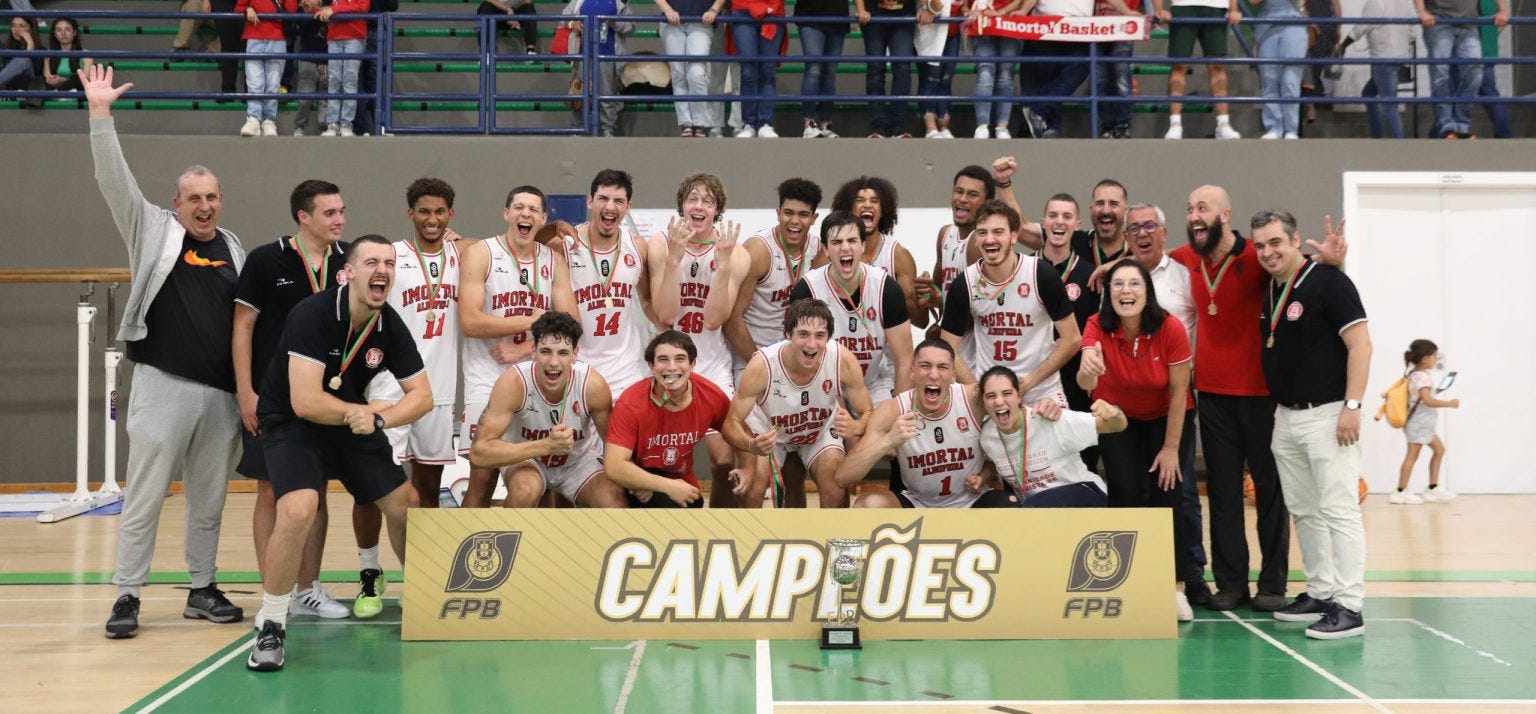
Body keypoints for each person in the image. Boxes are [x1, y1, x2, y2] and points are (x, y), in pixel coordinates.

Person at [86, 66, 247, 640]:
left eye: (211, 197)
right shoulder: (151, 230)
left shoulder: (233, 249)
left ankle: (201, 588)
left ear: (220, 201)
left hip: (222, 396)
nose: (203, 207)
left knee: (209, 501)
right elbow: (114, 182)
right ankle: (127, 593)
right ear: (175, 202)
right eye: (193, 199)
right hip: (163, 385)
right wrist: (100, 116)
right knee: (147, 494)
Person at [247, 235, 430, 671]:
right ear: (349, 272)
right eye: (371, 261)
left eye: (389, 262)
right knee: (298, 507)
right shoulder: (312, 314)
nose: (382, 269)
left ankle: (424, 600)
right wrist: (365, 411)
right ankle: (272, 622)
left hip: (350, 421)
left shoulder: (389, 324)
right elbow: (306, 401)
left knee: (407, 504)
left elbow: (422, 396)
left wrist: (380, 419)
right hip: (293, 422)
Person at [233, 180, 352, 624]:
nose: (339, 220)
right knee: (271, 493)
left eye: (341, 211)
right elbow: (242, 327)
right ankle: (273, 596)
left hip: (325, 398)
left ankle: (308, 589)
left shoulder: (349, 261)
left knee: (316, 493)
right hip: (273, 400)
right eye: (329, 213)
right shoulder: (266, 260)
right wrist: (246, 391)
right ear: (303, 217)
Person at [1167, 184, 1289, 612]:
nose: (1194, 214)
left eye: (1203, 207)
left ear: (1225, 214)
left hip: (1261, 396)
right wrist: (1110, 270)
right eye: (1189, 208)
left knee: (1269, 493)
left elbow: (1298, 269)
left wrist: (1335, 258)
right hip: (1213, 398)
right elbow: (1150, 261)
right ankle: (1232, 583)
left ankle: (1273, 583)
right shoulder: (1188, 257)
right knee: (1220, 494)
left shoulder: (1256, 256)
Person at [1252, 209, 1371, 640]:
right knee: (1304, 510)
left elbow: (1361, 344)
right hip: (1286, 417)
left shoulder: (1329, 281)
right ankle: (1320, 592)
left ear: (1295, 240)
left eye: (1275, 242)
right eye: (1261, 245)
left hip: (1329, 414)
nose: (1268, 251)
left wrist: (1352, 405)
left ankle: (1350, 604)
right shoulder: (1271, 289)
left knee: (1340, 510)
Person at [1078, 258, 1196, 622]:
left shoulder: (1170, 328)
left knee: (1168, 496)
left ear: (1147, 292)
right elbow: (1086, 386)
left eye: (1134, 284)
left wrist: (1171, 449)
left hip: (1167, 418)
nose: (1125, 291)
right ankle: (1127, 582)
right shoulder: (1096, 325)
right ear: (1108, 292)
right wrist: (1086, 370)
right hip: (1119, 421)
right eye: (1118, 285)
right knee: (1126, 494)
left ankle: (1177, 587)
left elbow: (1179, 392)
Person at [459, 185, 577, 507]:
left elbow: (571, 323)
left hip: (536, 380)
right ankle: (464, 551)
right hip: (487, 377)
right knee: (481, 479)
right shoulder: (482, 253)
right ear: (507, 213)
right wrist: (531, 321)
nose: (526, 214)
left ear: (542, 218)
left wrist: (525, 349)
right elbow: (470, 322)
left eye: (533, 209)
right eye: (519, 207)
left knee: (545, 482)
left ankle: (529, 553)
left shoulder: (553, 260)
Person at [651, 173, 753, 506]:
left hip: (711, 365)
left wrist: (722, 267)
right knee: (657, 459)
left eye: (707, 201)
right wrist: (673, 260)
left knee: (723, 460)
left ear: (716, 211)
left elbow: (713, 320)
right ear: (682, 206)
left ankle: (718, 529)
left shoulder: (736, 254)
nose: (699, 206)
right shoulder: (660, 245)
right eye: (692, 199)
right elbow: (665, 313)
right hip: (666, 365)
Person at [1125, 202, 1208, 597]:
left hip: (1175, 402)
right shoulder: (1118, 280)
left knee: (1184, 492)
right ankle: (1140, 576)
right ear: (1126, 238)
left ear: (1163, 231)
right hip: (1129, 409)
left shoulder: (1185, 277)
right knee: (1136, 492)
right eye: (1134, 228)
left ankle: (1192, 573)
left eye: (1149, 226)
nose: (1142, 233)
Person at [725, 299, 875, 507]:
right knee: (752, 488)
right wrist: (751, 444)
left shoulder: (842, 359)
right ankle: (749, 539)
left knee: (836, 487)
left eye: (820, 336)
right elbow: (730, 421)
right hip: (769, 436)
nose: (812, 344)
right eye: (803, 334)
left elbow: (867, 410)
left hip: (818, 433)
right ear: (788, 334)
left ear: (829, 338)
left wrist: (857, 426)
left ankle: (832, 539)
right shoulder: (762, 364)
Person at [470, 311, 627, 507]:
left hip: (578, 462)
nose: (553, 362)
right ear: (533, 350)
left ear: (575, 354)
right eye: (546, 352)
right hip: (528, 459)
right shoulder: (514, 382)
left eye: (563, 353)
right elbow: (478, 454)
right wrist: (545, 446)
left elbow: (615, 446)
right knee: (524, 491)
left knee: (613, 500)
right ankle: (511, 537)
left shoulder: (592, 385)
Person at [939, 200, 1080, 404]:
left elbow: (1072, 339)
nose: (989, 239)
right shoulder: (965, 284)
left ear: (1014, 236)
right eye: (982, 233)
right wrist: (979, 390)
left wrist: (1029, 382)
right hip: (992, 396)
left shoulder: (1041, 274)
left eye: (998, 232)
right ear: (976, 239)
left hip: (1041, 392)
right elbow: (948, 348)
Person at [835, 340, 1005, 508]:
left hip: (971, 501)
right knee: (868, 505)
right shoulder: (893, 410)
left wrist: (985, 475)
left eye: (942, 367)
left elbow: (1013, 405)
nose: (933, 374)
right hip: (918, 504)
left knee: (1010, 504)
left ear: (953, 376)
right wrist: (889, 441)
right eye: (925, 366)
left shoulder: (973, 398)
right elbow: (843, 477)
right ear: (912, 373)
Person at [789, 211, 913, 405]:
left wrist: (899, 410)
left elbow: (904, 360)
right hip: (824, 385)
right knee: (843, 433)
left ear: (863, 245)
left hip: (874, 385)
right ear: (826, 249)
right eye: (837, 242)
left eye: (852, 240)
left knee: (887, 431)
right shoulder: (807, 290)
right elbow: (798, 356)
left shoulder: (885, 288)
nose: (845, 248)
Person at [561, 169, 666, 394]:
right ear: (590, 201)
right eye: (603, 198)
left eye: (619, 201)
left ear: (628, 207)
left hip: (626, 370)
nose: (610, 207)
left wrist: (666, 328)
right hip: (578, 366)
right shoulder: (566, 245)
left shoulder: (637, 246)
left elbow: (647, 300)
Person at [606, 331, 737, 507]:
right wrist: (657, 485)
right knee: (655, 504)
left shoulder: (710, 395)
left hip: (680, 479)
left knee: (694, 502)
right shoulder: (630, 402)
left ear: (692, 364)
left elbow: (737, 430)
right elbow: (614, 466)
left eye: (680, 358)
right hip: (637, 473)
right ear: (651, 366)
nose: (672, 367)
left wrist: (751, 455)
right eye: (663, 359)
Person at [978, 366, 1127, 507]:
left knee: (1035, 507)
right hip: (1034, 505)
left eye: (1007, 393)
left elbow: (1118, 425)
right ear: (983, 402)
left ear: (1019, 396)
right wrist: (981, 477)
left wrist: (1114, 413)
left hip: (1083, 491)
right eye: (991, 396)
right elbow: (992, 463)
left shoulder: (1048, 419)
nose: (999, 401)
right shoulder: (987, 436)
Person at [726, 178, 822, 378]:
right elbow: (732, 319)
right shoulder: (758, 250)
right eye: (788, 213)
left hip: (796, 358)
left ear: (814, 218)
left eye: (803, 214)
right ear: (778, 213)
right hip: (751, 356)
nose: (794, 221)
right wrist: (760, 366)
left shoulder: (819, 250)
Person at [1035, 194, 1100, 473]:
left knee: (1081, 471)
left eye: (1066, 216)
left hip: (1076, 391)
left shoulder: (1091, 276)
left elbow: (1099, 331)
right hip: (1033, 386)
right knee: (1033, 467)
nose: (1059, 222)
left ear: (1077, 224)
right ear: (1043, 222)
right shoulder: (1022, 269)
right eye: (1053, 215)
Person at [829, 176, 925, 331]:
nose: (867, 205)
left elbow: (921, 321)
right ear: (848, 209)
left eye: (875, 201)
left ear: (883, 210)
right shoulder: (828, 254)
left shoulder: (898, 256)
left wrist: (922, 297)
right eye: (860, 200)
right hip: (841, 350)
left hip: (884, 353)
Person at [916, 164, 997, 336]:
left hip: (975, 352)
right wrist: (925, 292)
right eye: (958, 191)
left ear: (987, 203)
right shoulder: (945, 234)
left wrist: (941, 303)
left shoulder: (978, 243)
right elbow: (938, 288)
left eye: (973, 194)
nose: (962, 199)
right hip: (953, 345)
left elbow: (979, 310)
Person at [1414, 0, 1508, 139]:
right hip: (1440, 21)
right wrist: (1421, 11)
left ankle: (1461, 125)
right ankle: (1446, 126)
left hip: (1469, 23)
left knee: (1475, 72)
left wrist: (1503, 10)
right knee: (1441, 74)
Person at [1151, 0, 1242, 139]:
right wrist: (1159, 9)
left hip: (1216, 8)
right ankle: (1175, 124)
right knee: (1179, 65)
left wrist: (1234, 8)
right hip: (1183, 7)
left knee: (1217, 66)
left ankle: (1223, 124)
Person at [1393, 339, 1459, 503]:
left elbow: (1423, 396)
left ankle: (1433, 487)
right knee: (1412, 456)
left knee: (1439, 450)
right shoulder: (1423, 377)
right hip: (1419, 424)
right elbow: (1428, 401)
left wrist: (1440, 388)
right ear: (1425, 359)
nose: (1436, 360)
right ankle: (1400, 491)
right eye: (1435, 356)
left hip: (1422, 424)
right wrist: (1450, 404)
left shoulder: (1415, 374)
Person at [1019, 0, 1094, 139]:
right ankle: (1049, 127)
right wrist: (1024, 10)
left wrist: (1127, 13)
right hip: (1045, 25)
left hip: (1079, 28)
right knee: (1045, 77)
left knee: (1078, 71)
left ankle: (1038, 112)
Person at [1339, 0, 1412, 139]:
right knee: (1368, 94)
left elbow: (1360, 28)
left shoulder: (1376, 2)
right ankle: (1376, 136)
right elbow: (1412, 32)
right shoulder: (1403, 3)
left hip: (1384, 59)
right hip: (1401, 57)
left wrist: (1343, 46)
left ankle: (1400, 143)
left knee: (1389, 105)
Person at [563, 0, 635, 137]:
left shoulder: (619, 2)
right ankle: (578, 128)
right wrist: (573, 24)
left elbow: (631, 27)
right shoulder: (579, 1)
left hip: (608, 55)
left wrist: (615, 24)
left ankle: (608, 129)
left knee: (606, 93)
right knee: (580, 92)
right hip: (583, 54)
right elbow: (564, 17)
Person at [652, 0, 723, 137]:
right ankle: (686, 123)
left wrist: (714, 10)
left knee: (696, 73)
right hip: (671, 23)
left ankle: (699, 123)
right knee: (678, 73)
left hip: (701, 23)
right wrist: (667, 9)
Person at [235, 0, 298, 137]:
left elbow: (291, 10)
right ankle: (254, 119)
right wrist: (248, 9)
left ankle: (269, 120)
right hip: (254, 35)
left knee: (273, 84)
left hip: (277, 37)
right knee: (254, 82)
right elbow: (239, 6)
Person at [855, 0, 917, 137]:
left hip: (904, 18)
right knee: (875, 69)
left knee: (902, 68)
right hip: (873, 17)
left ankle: (898, 125)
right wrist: (861, 9)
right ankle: (878, 126)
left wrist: (925, 7)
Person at [730, 0, 787, 138]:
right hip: (742, 10)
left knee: (768, 71)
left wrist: (770, 8)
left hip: (772, 11)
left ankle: (765, 123)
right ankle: (749, 124)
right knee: (748, 71)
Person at [967, 0, 1023, 139]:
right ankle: (982, 125)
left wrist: (1001, 12)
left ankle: (1002, 127)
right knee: (985, 73)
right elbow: (963, 3)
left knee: (1005, 75)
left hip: (1010, 23)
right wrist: (967, 11)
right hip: (981, 25)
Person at [795, 0, 851, 137]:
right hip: (810, 15)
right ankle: (809, 124)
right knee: (814, 69)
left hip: (838, 17)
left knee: (829, 73)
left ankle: (825, 124)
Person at [1253, 0, 1307, 140]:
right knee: (1269, 79)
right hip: (1266, 26)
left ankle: (1291, 130)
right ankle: (1273, 127)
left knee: (1290, 80)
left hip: (1294, 23)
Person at [316, 0, 368, 136]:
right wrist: (313, 8)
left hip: (354, 37)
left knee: (349, 81)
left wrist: (335, 9)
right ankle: (332, 124)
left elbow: (362, 7)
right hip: (334, 37)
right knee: (334, 81)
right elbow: (323, 9)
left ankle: (346, 124)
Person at [1094, 0, 1142, 138]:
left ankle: (1122, 124)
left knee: (1120, 75)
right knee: (1100, 80)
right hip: (1097, 28)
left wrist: (1154, 13)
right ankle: (1108, 125)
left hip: (1124, 26)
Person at [916, 0, 961, 139]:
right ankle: (930, 127)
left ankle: (943, 126)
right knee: (930, 78)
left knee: (946, 79)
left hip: (953, 31)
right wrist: (927, 7)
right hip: (931, 28)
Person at [287, 0, 327, 136]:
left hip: (328, 57)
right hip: (307, 57)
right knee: (305, 97)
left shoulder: (330, 6)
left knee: (326, 97)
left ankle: (325, 127)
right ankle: (299, 127)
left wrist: (318, 6)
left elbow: (329, 20)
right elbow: (303, 26)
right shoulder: (301, 8)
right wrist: (307, 10)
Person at [42, 16, 91, 93]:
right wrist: (53, 80)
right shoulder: (49, 54)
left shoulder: (86, 55)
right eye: (59, 30)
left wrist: (63, 80)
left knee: (77, 78)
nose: (63, 33)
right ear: (55, 34)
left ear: (74, 33)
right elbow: (47, 78)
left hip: (77, 91)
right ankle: (58, 94)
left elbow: (85, 80)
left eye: (67, 30)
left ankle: (58, 94)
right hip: (54, 88)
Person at [0, 16, 38, 92]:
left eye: (21, 26)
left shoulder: (41, 50)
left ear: (30, 30)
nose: (16, 29)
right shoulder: (4, 47)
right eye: (14, 25)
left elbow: (37, 72)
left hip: (27, 86)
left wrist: (30, 45)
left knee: (23, 59)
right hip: (8, 86)